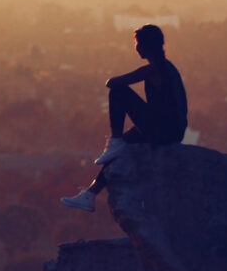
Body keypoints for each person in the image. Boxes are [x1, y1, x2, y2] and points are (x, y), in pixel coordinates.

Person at [62, 24, 187, 211]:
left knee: (118, 92)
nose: (136, 48)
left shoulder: (154, 69)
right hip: (169, 129)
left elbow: (112, 83)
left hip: (163, 130)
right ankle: (90, 194)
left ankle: (116, 139)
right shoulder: (167, 68)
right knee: (118, 151)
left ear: (146, 46)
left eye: (138, 43)